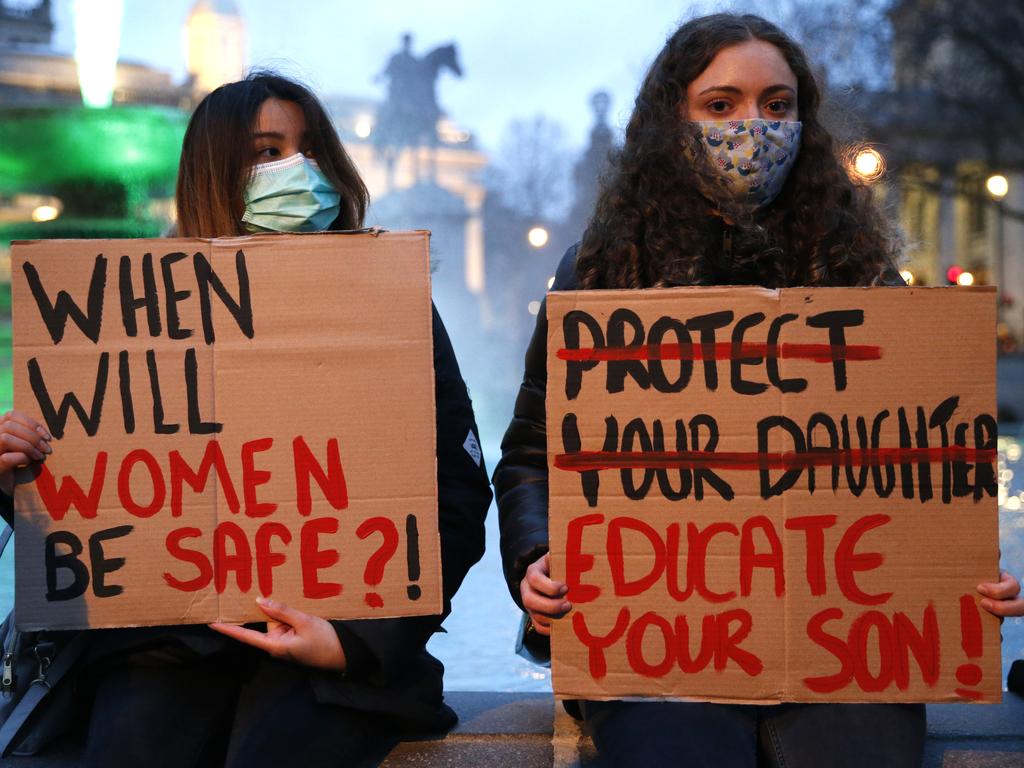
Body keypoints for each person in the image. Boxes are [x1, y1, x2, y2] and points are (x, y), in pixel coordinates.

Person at [493, 13, 1022, 768]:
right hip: (658, 642)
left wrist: (961, 569)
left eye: (777, 106)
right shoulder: (606, 269)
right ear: (671, 121)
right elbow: (533, 451)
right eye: (722, 105)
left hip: (841, 645)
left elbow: (924, 467)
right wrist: (537, 556)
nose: (754, 126)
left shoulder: (861, 271)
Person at [0, 72, 492, 767]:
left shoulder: (392, 305)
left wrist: (354, 641)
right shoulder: (126, 312)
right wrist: (17, 473)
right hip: (163, 646)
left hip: (331, 653)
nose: (298, 167)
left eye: (310, 147)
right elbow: (88, 502)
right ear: (213, 171)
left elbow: (459, 494)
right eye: (266, 151)